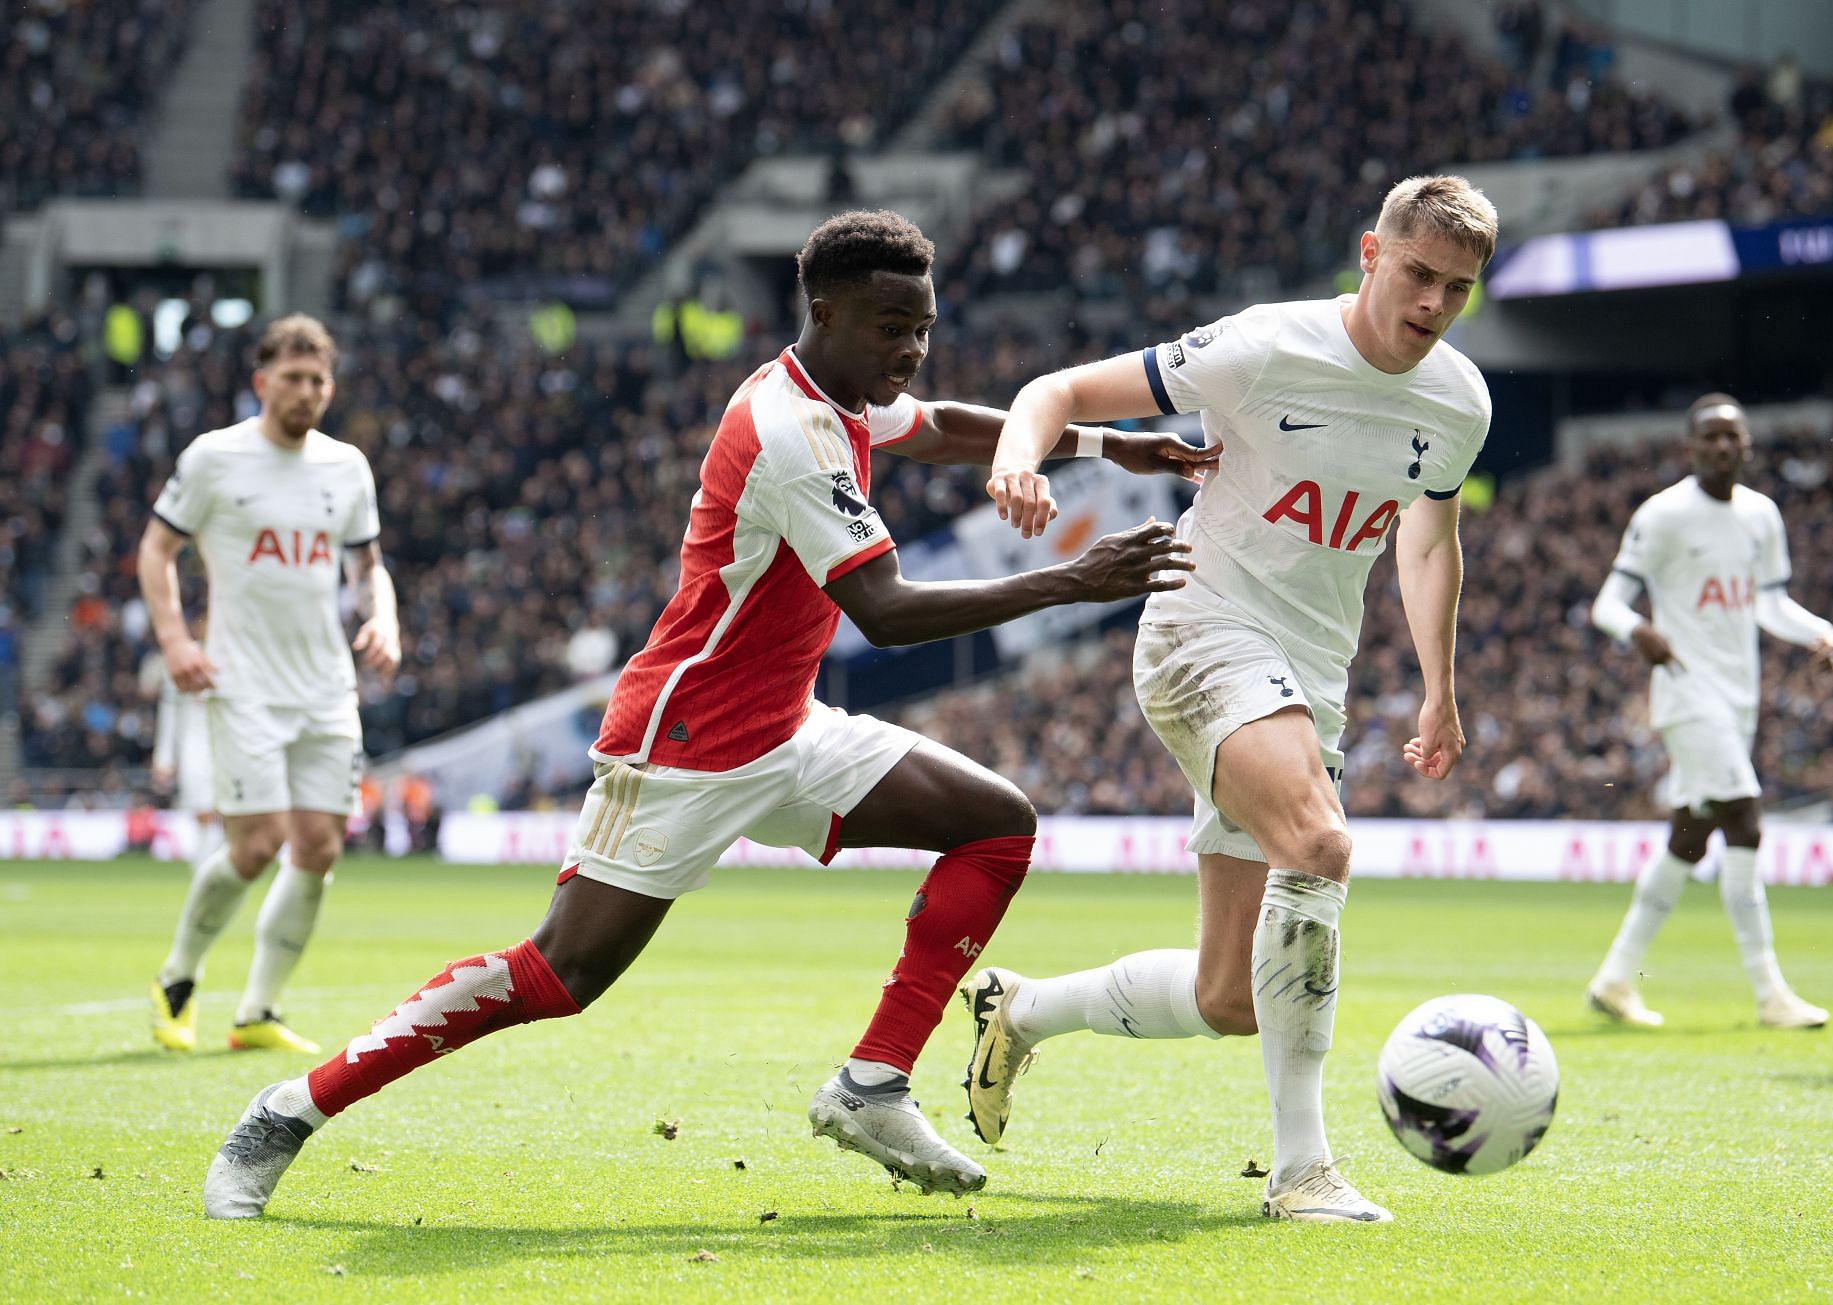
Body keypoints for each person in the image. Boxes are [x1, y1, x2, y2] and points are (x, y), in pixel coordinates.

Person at [203, 209, 1212, 1218]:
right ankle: (291, 1108)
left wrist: (1101, 445)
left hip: (785, 727)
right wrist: (1072, 580)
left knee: (995, 826)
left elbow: (941, 426)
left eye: (924, 326)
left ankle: (871, 1086)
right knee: (558, 975)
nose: (910, 347)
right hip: (685, 745)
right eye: (890, 325)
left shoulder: (848, 393)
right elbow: (889, 612)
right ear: (825, 311)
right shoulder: (790, 430)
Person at [966, 175, 1501, 1225]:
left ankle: (1023, 1008)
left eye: (1459, 288)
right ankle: (1301, 1172)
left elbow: (1430, 539)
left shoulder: (1461, 402)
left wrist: (1440, 688)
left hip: (1310, 673)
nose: (1434, 304)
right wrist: (1016, 460)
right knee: (1322, 844)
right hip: (1199, 626)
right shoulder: (1264, 347)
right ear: (1369, 253)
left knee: (1232, 996)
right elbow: (1058, 392)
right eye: (1419, 274)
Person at [140, 314, 400, 1055]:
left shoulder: (346, 466)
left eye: (318, 380)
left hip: (324, 684)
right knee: (256, 845)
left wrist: (384, 620)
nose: (307, 392)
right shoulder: (215, 458)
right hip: (242, 680)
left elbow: (367, 564)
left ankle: (257, 1009)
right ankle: (179, 976)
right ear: (261, 382)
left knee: (318, 846)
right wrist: (175, 640)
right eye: (292, 378)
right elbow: (156, 549)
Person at [1585, 394, 1833, 1031]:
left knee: (1689, 840)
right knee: (1746, 824)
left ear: (1747, 446)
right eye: (1710, 437)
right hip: (1686, 692)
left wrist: (1819, 631)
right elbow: (1608, 604)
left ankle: (1616, 978)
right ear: (1691, 447)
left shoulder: (1761, 516)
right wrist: (1637, 632)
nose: (1723, 447)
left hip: (1738, 696)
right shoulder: (1664, 514)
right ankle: (1770, 992)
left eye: (1733, 437)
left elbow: (1769, 604)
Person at [147, 615, 222, 866]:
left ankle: (218, 864)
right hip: (194, 744)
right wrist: (164, 757)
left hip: (229, 742)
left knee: (227, 811)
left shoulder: (236, 661)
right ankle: (203, 865)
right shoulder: (184, 662)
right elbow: (169, 712)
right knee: (202, 809)